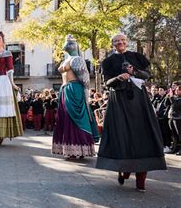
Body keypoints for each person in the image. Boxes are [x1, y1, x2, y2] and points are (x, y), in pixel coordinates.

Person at [96, 34, 166, 192]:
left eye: (122, 40)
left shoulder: (136, 56)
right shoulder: (108, 62)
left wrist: (134, 71)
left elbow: (147, 75)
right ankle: (124, 169)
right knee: (122, 136)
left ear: (126, 42)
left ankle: (141, 179)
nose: (120, 43)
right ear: (113, 44)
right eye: (116, 41)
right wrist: (119, 78)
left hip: (139, 102)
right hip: (119, 102)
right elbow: (107, 83)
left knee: (144, 136)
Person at [51, 35, 99, 159]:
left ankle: (79, 149)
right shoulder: (65, 60)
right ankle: (69, 149)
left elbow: (85, 81)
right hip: (65, 90)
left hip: (75, 90)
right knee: (65, 119)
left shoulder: (77, 59)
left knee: (75, 119)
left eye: (71, 43)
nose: (68, 44)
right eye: (67, 42)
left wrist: (86, 94)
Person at [168, 84, 181, 155]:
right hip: (173, 117)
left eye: (177, 90)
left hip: (179, 118)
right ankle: (174, 148)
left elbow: (176, 105)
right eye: (175, 90)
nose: (176, 91)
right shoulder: (176, 97)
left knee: (179, 134)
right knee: (174, 134)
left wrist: (171, 97)